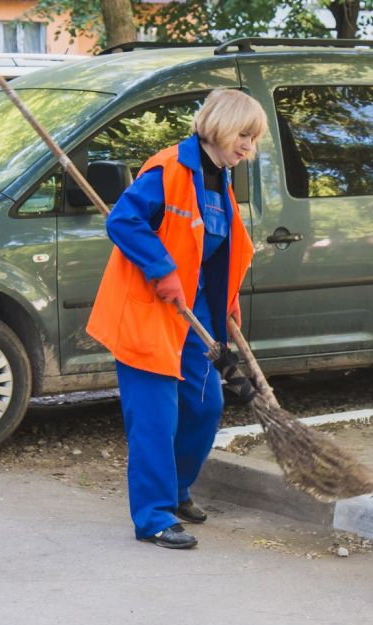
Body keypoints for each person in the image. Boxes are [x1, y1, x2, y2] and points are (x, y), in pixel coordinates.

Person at [86, 89, 268, 549]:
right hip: (147, 310)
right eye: (243, 135)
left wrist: (226, 299)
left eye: (253, 138)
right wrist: (161, 268)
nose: (248, 146)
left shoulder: (219, 178)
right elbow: (124, 222)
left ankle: (178, 489)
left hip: (194, 312)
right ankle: (153, 516)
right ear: (220, 126)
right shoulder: (168, 168)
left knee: (205, 406)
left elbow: (213, 249)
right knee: (155, 417)